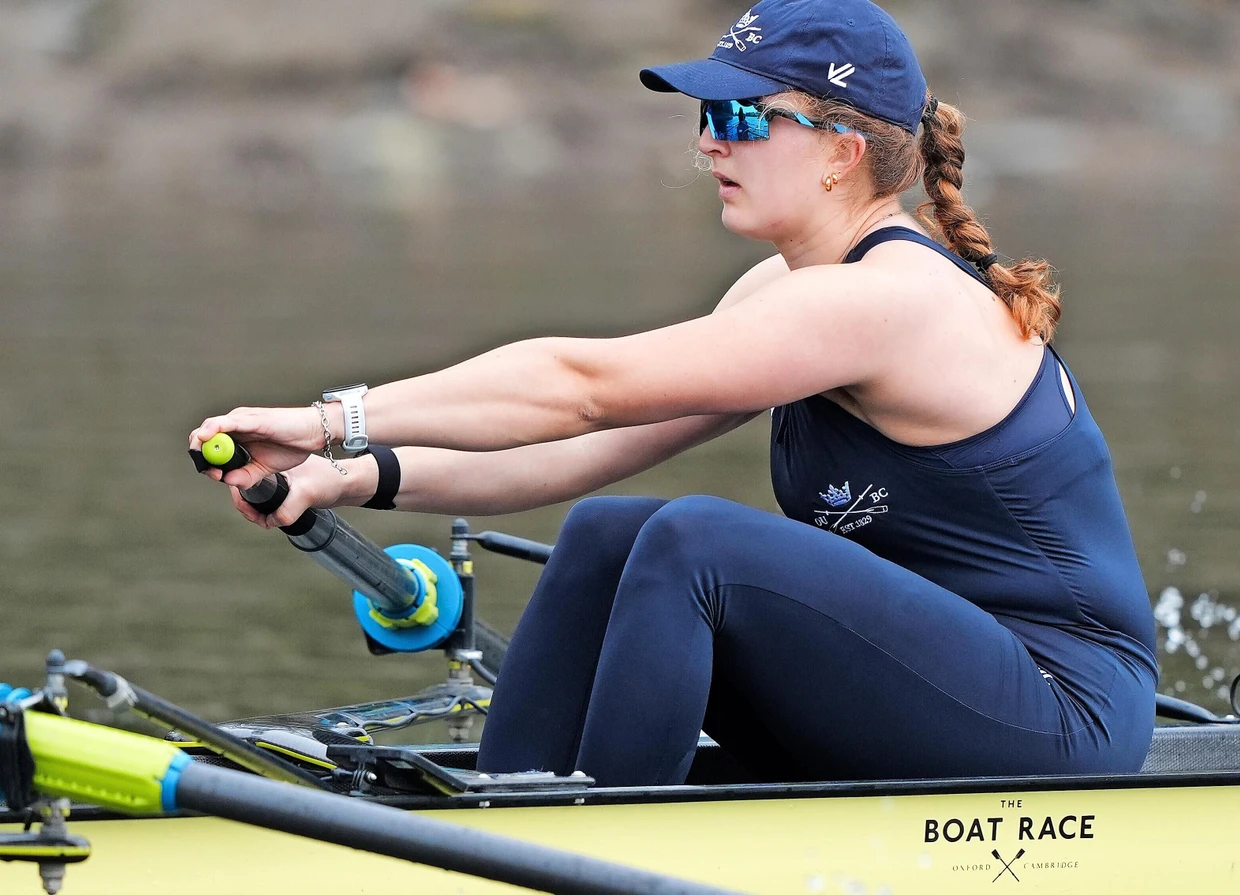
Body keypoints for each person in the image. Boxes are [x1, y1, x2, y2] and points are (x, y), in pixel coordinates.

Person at [190, 0, 1157, 787]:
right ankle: (510, 802)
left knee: (696, 542)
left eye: (739, 117)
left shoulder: (890, 300)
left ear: (841, 150)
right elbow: (572, 448)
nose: (708, 145)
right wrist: (344, 474)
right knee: (610, 530)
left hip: (1056, 708)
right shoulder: (789, 293)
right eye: (704, 117)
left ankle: (604, 834)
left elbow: (581, 390)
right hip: (930, 687)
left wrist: (327, 416)